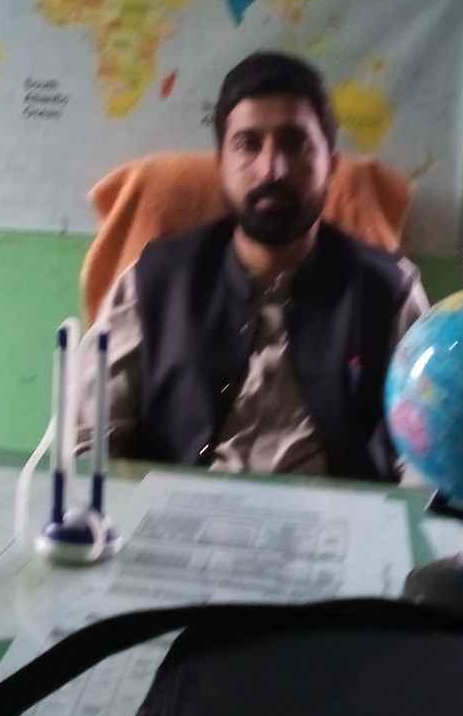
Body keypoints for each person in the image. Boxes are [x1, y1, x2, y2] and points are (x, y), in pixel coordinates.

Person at [77, 50, 429, 482]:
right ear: (220, 165)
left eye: (295, 144)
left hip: (338, 517)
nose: (271, 170)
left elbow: (426, 453)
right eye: (248, 145)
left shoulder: (389, 291)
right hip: (179, 513)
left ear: (331, 167)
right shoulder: (151, 284)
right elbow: (89, 440)